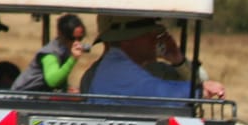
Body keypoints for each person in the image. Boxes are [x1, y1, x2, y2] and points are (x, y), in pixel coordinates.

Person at [83, 15, 226, 101]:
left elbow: (202, 80)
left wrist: (179, 61)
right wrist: (200, 90)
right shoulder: (113, 71)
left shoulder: (157, 70)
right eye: (148, 35)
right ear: (127, 40)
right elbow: (156, 92)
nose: (156, 41)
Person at [10, 13, 89, 92]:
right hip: (23, 97)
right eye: (71, 38)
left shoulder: (65, 50)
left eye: (79, 38)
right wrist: (73, 59)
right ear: (61, 34)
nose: (76, 43)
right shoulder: (49, 54)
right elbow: (53, 81)